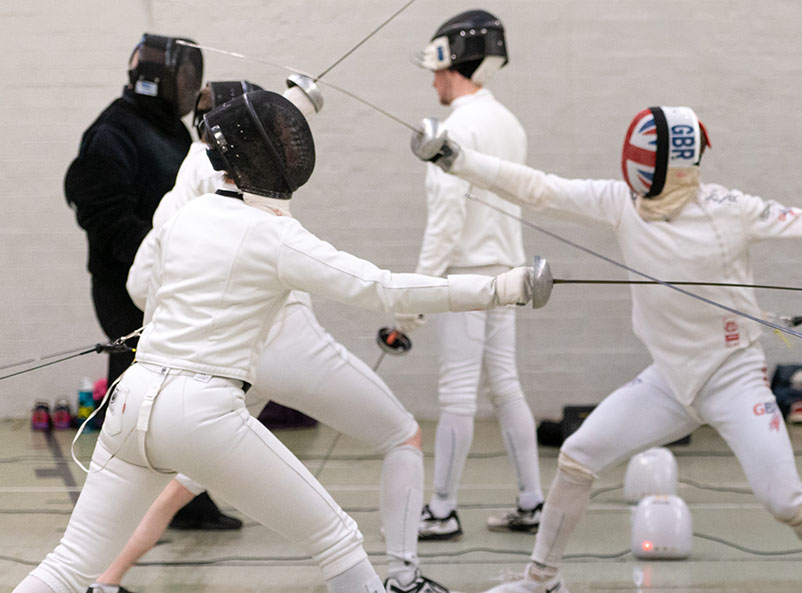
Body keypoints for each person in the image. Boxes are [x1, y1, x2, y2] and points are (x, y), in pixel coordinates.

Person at [411, 105, 802, 593]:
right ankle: (541, 577)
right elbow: (538, 187)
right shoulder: (619, 202)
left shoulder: (729, 208)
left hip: (734, 377)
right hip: (668, 381)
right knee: (578, 457)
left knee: (785, 503)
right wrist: (455, 158)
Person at [13, 90, 542, 593]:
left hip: (130, 402)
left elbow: (141, 287)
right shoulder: (275, 237)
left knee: (67, 564)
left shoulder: (187, 213)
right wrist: (500, 287)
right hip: (200, 411)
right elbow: (383, 288)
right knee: (338, 540)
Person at [87, 78, 450, 593]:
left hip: (221, 363)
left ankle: (104, 580)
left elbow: (141, 284)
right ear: (242, 130)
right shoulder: (248, 181)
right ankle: (405, 577)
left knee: (185, 479)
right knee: (401, 434)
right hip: (277, 342)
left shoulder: (191, 177)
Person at [63, 31, 239, 535]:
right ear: (159, 81)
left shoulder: (164, 128)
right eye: (184, 79)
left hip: (163, 286)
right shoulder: (115, 130)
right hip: (127, 290)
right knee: (134, 402)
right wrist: (153, 256)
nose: (190, 88)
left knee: (176, 395)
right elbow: (94, 200)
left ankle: (179, 503)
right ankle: (112, 510)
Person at [406, 9, 544, 540]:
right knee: (505, 386)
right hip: (507, 275)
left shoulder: (455, 129)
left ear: (451, 65)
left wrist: (418, 290)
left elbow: (447, 218)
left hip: (466, 277)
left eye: (436, 70)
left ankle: (441, 510)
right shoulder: (508, 122)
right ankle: (531, 501)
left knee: (458, 392)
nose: (433, 81)